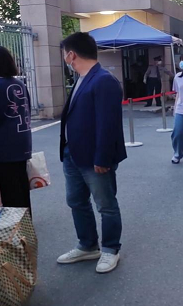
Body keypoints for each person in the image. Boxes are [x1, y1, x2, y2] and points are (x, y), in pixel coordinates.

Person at [57, 32, 126, 274]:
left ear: (71, 54)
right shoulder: (82, 78)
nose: (64, 58)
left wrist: (102, 158)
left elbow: (108, 124)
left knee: (105, 204)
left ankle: (110, 249)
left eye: (64, 53)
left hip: (95, 157)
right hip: (73, 153)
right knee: (76, 201)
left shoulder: (103, 80)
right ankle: (87, 245)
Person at [0, 46, 33, 210]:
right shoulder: (20, 84)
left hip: (2, 146)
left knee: (8, 192)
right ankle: (25, 221)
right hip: (22, 143)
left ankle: (15, 224)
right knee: (21, 187)